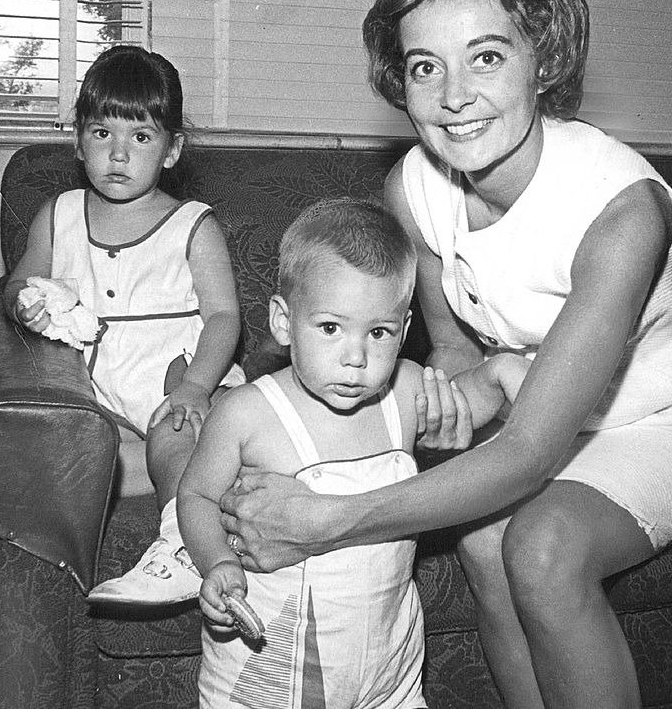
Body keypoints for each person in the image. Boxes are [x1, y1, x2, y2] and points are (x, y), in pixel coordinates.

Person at [219, 0, 672, 708]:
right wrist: (464, 387)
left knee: (541, 544)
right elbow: (454, 342)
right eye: (426, 66)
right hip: (533, 415)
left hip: (664, 427)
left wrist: (326, 517)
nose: (454, 97)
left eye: (486, 56)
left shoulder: (624, 210)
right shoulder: (412, 187)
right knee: (484, 536)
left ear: (543, 57)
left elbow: (531, 453)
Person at [178, 198, 521, 708]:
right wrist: (216, 562)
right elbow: (197, 495)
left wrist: (504, 373)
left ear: (404, 332)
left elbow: (468, 400)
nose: (356, 357)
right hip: (274, 672)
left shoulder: (405, 389)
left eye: (378, 333)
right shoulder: (247, 414)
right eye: (331, 328)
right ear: (282, 321)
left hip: (389, 671)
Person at [5, 44, 245, 605]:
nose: (118, 155)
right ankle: (217, 478)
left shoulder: (192, 224)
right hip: (100, 396)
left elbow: (225, 316)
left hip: (175, 381)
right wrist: (28, 304)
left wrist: (196, 387)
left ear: (171, 150)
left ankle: (185, 543)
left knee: (174, 437)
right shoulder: (59, 214)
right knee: (73, 456)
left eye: (140, 137)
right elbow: (17, 284)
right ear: (77, 140)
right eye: (100, 133)